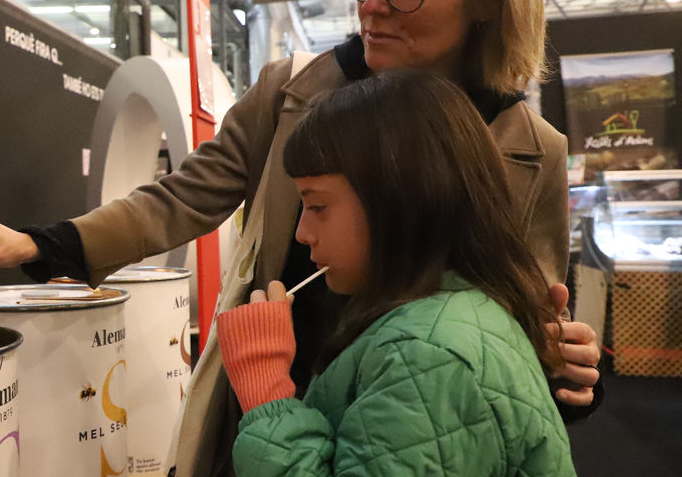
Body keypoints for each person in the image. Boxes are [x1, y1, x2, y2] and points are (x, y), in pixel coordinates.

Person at [0, 0, 601, 476]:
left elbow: (520, 325)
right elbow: (182, 197)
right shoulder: (292, 92)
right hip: (271, 411)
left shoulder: (532, 149)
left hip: (410, 420)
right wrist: (38, 243)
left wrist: (567, 362)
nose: (371, 3)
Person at [217, 69, 575, 476]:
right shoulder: (441, 321)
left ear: (400, 200)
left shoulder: (427, 355)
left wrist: (267, 392)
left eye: (316, 207)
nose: (302, 234)